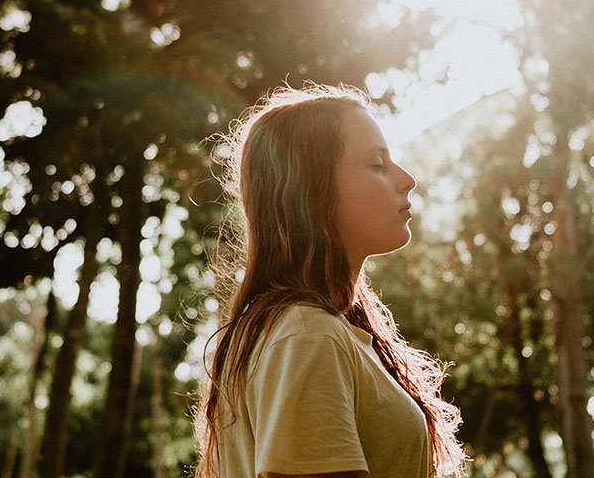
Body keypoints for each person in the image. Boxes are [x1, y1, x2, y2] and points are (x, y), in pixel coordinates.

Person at [195, 83, 465, 478]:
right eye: (377, 163)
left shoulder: (317, 332)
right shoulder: (308, 335)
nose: (407, 179)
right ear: (310, 188)